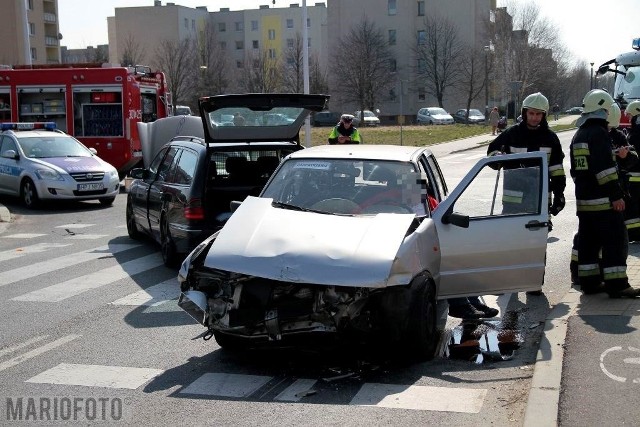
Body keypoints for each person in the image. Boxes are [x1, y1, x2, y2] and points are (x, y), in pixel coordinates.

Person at [570, 89, 640, 298]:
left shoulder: (579, 134)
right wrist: (616, 195)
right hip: (604, 202)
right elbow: (604, 170)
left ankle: (590, 283)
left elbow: (579, 170)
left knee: (589, 244)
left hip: (585, 202)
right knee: (615, 242)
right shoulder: (599, 133)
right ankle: (617, 285)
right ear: (603, 109)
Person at [623, 100, 640, 242]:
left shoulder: (635, 135)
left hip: (635, 179)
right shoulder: (633, 133)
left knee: (634, 207)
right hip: (634, 178)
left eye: (630, 116)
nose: (628, 119)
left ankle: (635, 234)